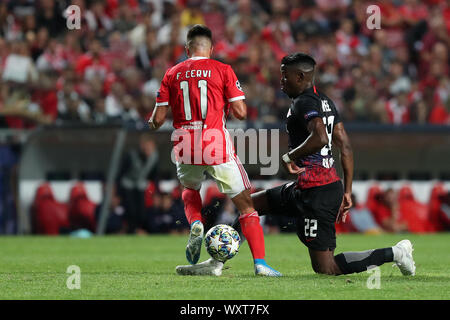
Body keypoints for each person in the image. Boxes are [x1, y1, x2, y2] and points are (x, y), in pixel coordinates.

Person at [176, 53, 416, 277]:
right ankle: (217, 263)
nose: (281, 80)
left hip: (318, 193)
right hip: (307, 187)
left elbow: (321, 137)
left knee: (326, 268)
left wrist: (289, 157)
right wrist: (347, 190)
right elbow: (345, 146)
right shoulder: (325, 101)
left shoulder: (304, 103)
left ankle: (396, 253)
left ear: (300, 76)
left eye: (284, 75)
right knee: (249, 206)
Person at [148, 24, 281, 277]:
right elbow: (241, 113)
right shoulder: (223, 69)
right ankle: (260, 264)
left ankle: (196, 223)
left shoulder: (171, 73)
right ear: (211, 48)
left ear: (187, 49)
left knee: (190, 189)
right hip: (214, 141)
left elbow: (156, 121)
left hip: (185, 142)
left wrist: (151, 121)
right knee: (246, 207)